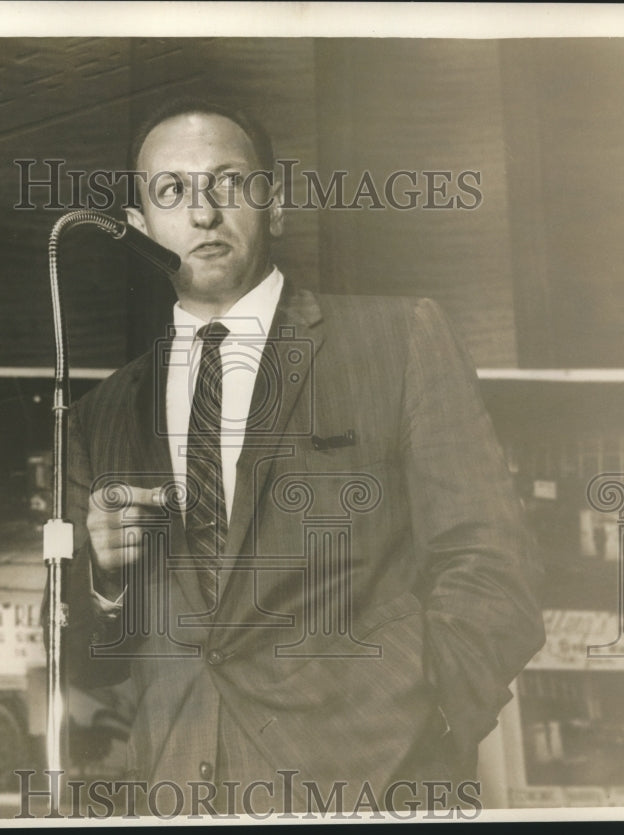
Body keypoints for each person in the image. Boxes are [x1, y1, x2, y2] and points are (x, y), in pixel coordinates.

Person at [56, 97, 545, 815]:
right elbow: (85, 656)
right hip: (171, 793)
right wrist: (102, 579)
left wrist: (424, 723)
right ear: (138, 229)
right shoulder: (102, 413)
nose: (203, 213)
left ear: (275, 204)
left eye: (230, 182)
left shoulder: (398, 339)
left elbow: (494, 563)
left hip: (370, 785)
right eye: (171, 191)